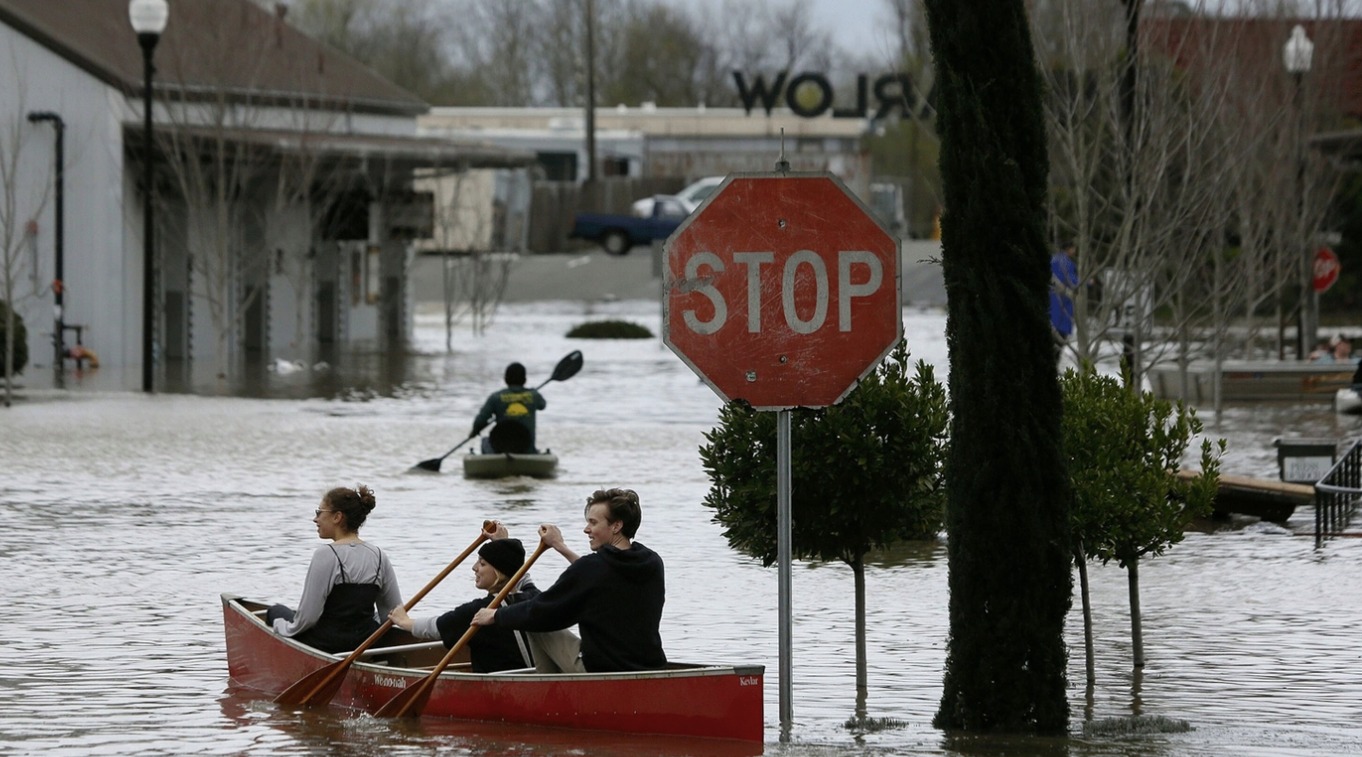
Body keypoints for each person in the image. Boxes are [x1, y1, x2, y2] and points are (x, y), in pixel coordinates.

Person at [471, 488, 666, 673]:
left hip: (601, 669)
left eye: (593, 523)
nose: (586, 529)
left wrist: (496, 615)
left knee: (532, 622)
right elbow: (601, 573)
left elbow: (544, 610)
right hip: (649, 664)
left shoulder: (593, 568)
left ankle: (547, 691)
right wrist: (559, 546)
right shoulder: (652, 562)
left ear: (616, 525)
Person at [267, 485, 401, 654]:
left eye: (319, 512)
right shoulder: (380, 555)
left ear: (337, 517)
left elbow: (307, 619)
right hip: (366, 644)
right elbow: (392, 614)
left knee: (275, 611)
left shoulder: (325, 554)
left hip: (327, 644)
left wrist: (282, 627)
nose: (315, 520)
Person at [388, 533, 544, 673]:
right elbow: (520, 573)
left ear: (499, 572)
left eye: (482, 564)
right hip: (532, 682)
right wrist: (502, 543)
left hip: (496, 690)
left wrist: (404, 621)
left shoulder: (479, 611)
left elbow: (438, 627)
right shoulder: (534, 597)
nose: (474, 568)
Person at [472, 362, 546, 454]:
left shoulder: (496, 397)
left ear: (505, 379)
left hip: (500, 449)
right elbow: (542, 405)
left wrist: (475, 431)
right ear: (525, 380)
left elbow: (480, 420)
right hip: (526, 449)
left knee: (485, 441)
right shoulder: (534, 396)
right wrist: (533, 392)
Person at [1049, 241, 1079, 360]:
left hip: (1051, 306)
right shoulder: (1067, 263)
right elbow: (1073, 281)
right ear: (1069, 248)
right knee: (1059, 343)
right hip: (1063, 308)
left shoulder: (1052, 260)